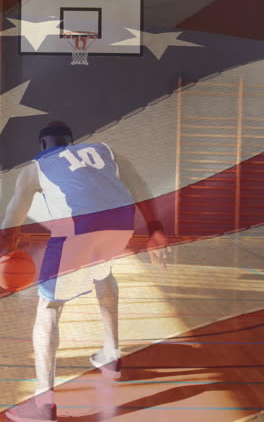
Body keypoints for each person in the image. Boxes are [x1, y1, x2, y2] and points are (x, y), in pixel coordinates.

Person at [1, 122, 169, 422]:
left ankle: (42, 405)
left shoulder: (34, 168)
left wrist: (6, 248)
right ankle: (111, 355)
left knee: (49, 307)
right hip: (121, 223)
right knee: (104, 275)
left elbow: (11, 222)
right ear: (72, 141)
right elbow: (139, 185)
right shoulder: (104, 151)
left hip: (78, 229)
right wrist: (155, 227)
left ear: (43, 147)